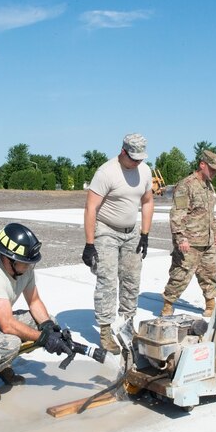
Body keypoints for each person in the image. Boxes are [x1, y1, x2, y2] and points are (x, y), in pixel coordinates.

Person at [0, 223, 71, 402]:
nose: (28, 267)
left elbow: (34, 301)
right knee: (10, 343)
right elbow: (7, 325)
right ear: (7, 258)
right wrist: (44, 339)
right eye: (24, 263)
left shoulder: (25, 268)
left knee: (48, 322)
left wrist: (50, 329)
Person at [82, 133, 154, 353]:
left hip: (131, 231)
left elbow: (148, 200)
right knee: (107, 279)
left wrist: (145, 233)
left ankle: (127, 323)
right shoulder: (106, 172)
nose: (137, 162)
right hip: (106, 231)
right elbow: (91, 207)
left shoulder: (145, 170)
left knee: (132, 278)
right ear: (123, 151)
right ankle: (105, 330)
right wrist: (89, 243)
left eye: (141, 158)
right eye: (134, 158)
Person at [161, 149, 216, 318]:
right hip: (190, 242)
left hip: (208, 241)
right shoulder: (186, 185)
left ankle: (210, 304)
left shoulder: (209, 186)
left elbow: (210, 213)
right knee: (180, 275)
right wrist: (180, 238)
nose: (215, 173)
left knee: (210, 274)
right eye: (212, 169)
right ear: (202, 165)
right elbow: (177, 214)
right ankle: (168, 304)